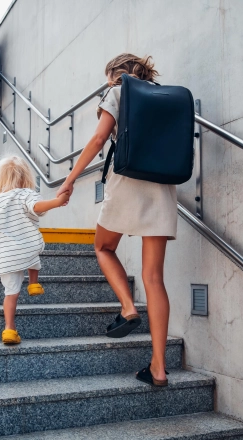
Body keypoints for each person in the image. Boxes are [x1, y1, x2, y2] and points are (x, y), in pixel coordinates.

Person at [57, 53, 176, 386]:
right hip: (163, 188)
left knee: (103, 247)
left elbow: (99, 140)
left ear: (115, 72)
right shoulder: (164, 97)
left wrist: (69, 180)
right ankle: (159, 367)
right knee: (154, 278)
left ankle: (127, 307)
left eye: (107, 75)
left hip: (127, 183)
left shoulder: (120, 90)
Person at [0, 156, 71, 345]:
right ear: (26, 178)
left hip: (6, 256)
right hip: (25, 247)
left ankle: (9, 329)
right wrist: (56, 202)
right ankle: (33, 284)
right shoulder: (26, 194)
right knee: (33, 256)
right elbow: (37, 207)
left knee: (11, 292)